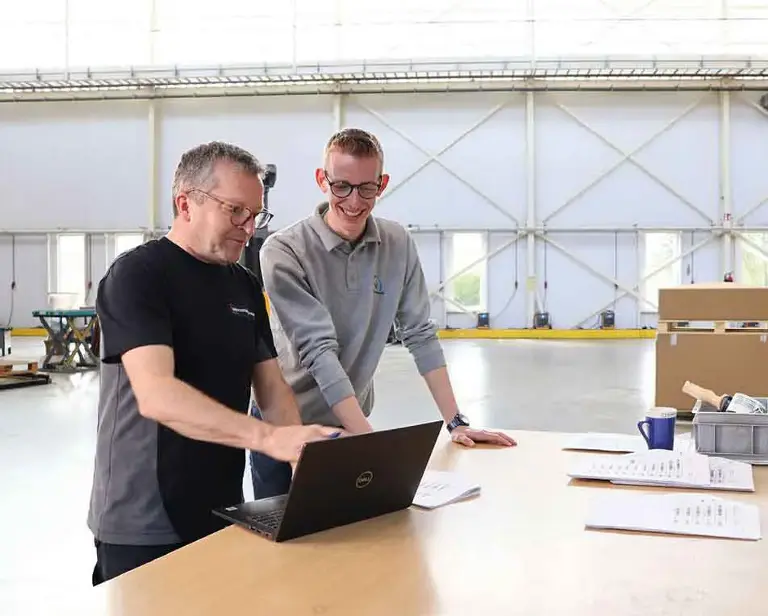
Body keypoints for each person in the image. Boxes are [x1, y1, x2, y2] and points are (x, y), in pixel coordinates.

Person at [87, 141, 342, 585]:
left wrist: (303, 460)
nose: (248, 228)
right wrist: (268, 439)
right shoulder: (138, 276)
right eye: (235, 211)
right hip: (143, 518)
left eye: (256, 215)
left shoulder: (243, 286)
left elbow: (271, 386)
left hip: (220, 506)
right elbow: (157, 395)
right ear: (185, 203)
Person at [249, 128, 516, 497]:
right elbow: (318, 352)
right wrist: (370, 446)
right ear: (321, 180)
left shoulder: (397, 244)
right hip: (286, 425)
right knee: (286, 546)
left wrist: (455, 421)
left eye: (367, 188)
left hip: (350, 422)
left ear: (382, 183)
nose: (354, 202)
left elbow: (420, 333)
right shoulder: (283, 251)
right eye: (341, 186)